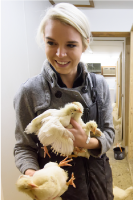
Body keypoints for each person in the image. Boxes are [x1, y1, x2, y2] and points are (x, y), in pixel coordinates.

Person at [14, 3, 115, 200]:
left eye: (70, 45)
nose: (60, 54)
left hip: (99, 182)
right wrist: (33, 175)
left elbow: (109, 132)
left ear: (85, 44)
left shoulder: (99, 85)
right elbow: (23, 146)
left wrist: (86, 142)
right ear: (43, 40)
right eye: (51, 43)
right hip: (60, 191)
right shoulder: (29, 91)